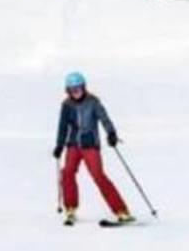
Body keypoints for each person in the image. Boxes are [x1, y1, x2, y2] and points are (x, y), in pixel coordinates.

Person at [54, 73, 132, 225]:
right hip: (73, 144)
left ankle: (121, 211)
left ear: (84, 87)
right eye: (72, 89)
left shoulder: (93, 102)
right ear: (68, 91)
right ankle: (70, 208)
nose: (76, 92)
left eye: (78, 88)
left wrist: (111, 133)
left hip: (90, 145)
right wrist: (59, 145)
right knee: (67, 172)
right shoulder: (66, 105)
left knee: (98, 175)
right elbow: (62, 127)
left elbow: (104, 118)